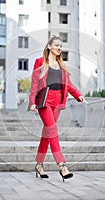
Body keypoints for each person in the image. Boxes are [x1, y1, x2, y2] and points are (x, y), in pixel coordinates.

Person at [28, 35, 86, 181]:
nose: (59, 48)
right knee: (52, 129)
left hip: (58, 101)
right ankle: (62, 165)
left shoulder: (62, 66)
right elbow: (34, 83)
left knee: (47, 133)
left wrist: (78, 95)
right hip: (45, 100)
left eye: (61, 46)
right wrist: (32, 102)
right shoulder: (40, 62)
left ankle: (39, 165)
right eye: (56, 45)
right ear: (49, 47)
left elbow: (69, 85)